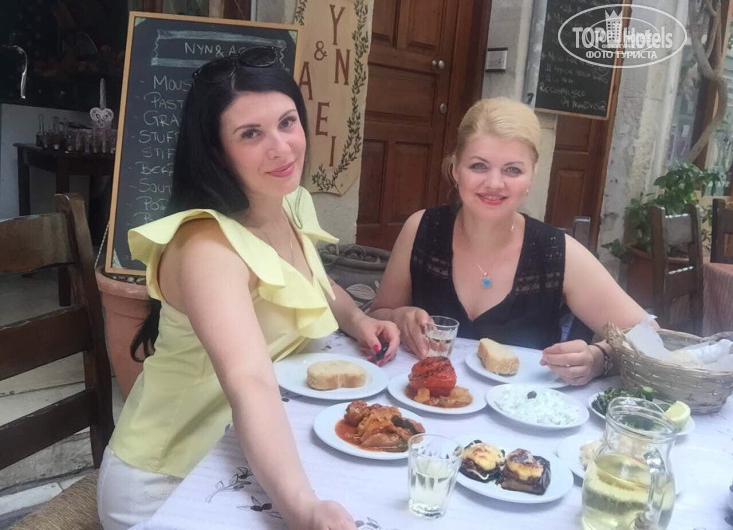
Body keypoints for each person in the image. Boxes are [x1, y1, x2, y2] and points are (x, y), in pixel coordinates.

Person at [97, 49, 399, 530]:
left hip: (244, 452)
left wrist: (358, 319)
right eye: (250, 134)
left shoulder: (287, 202)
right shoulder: (207, 248)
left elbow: (312, 281)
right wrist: (303, 508)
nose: (281, 148)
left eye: (287, 122)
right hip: (171, 479)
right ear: (217, 151)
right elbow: (250, 382)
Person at [370, 97, 650, 386]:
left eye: (513, 170)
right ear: (455, 169)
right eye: (479, 166)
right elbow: (378, 314)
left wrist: (599, 359)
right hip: (422, 405)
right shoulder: (421, 229)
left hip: (522, 411)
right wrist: (398, 316)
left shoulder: (556, 251)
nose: (494, 183)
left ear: (532, 177)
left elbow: (648, 334)